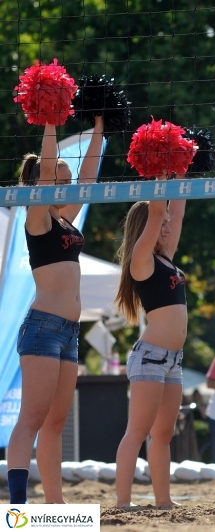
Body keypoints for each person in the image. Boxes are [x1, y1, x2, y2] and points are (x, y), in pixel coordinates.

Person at [8, 116, 104, 504]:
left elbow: (90, 180)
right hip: (43, 326)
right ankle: (17, 508)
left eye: (66, 182)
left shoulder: (66, 218)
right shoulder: (37, 215)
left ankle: (55, 504)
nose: (67, 187)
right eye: (59, 182)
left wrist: (100, 128)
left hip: (68, 331)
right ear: (43, 185)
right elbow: (48, 172)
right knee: (31, 419)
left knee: (55, 423)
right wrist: (49, 120)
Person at [114, 187, 188, 508]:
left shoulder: (165, 258)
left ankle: (163, 501)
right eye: (162, 222)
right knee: (138, 432)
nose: (168, 226)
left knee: (163, 434)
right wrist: (160, 175)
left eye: (168, 222)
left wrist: (183, 172)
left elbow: (177, 212)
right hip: (151, 357)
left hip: (173, 359)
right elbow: (157, 212)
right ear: (147, 226)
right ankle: (123, 503)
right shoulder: (141, 260)